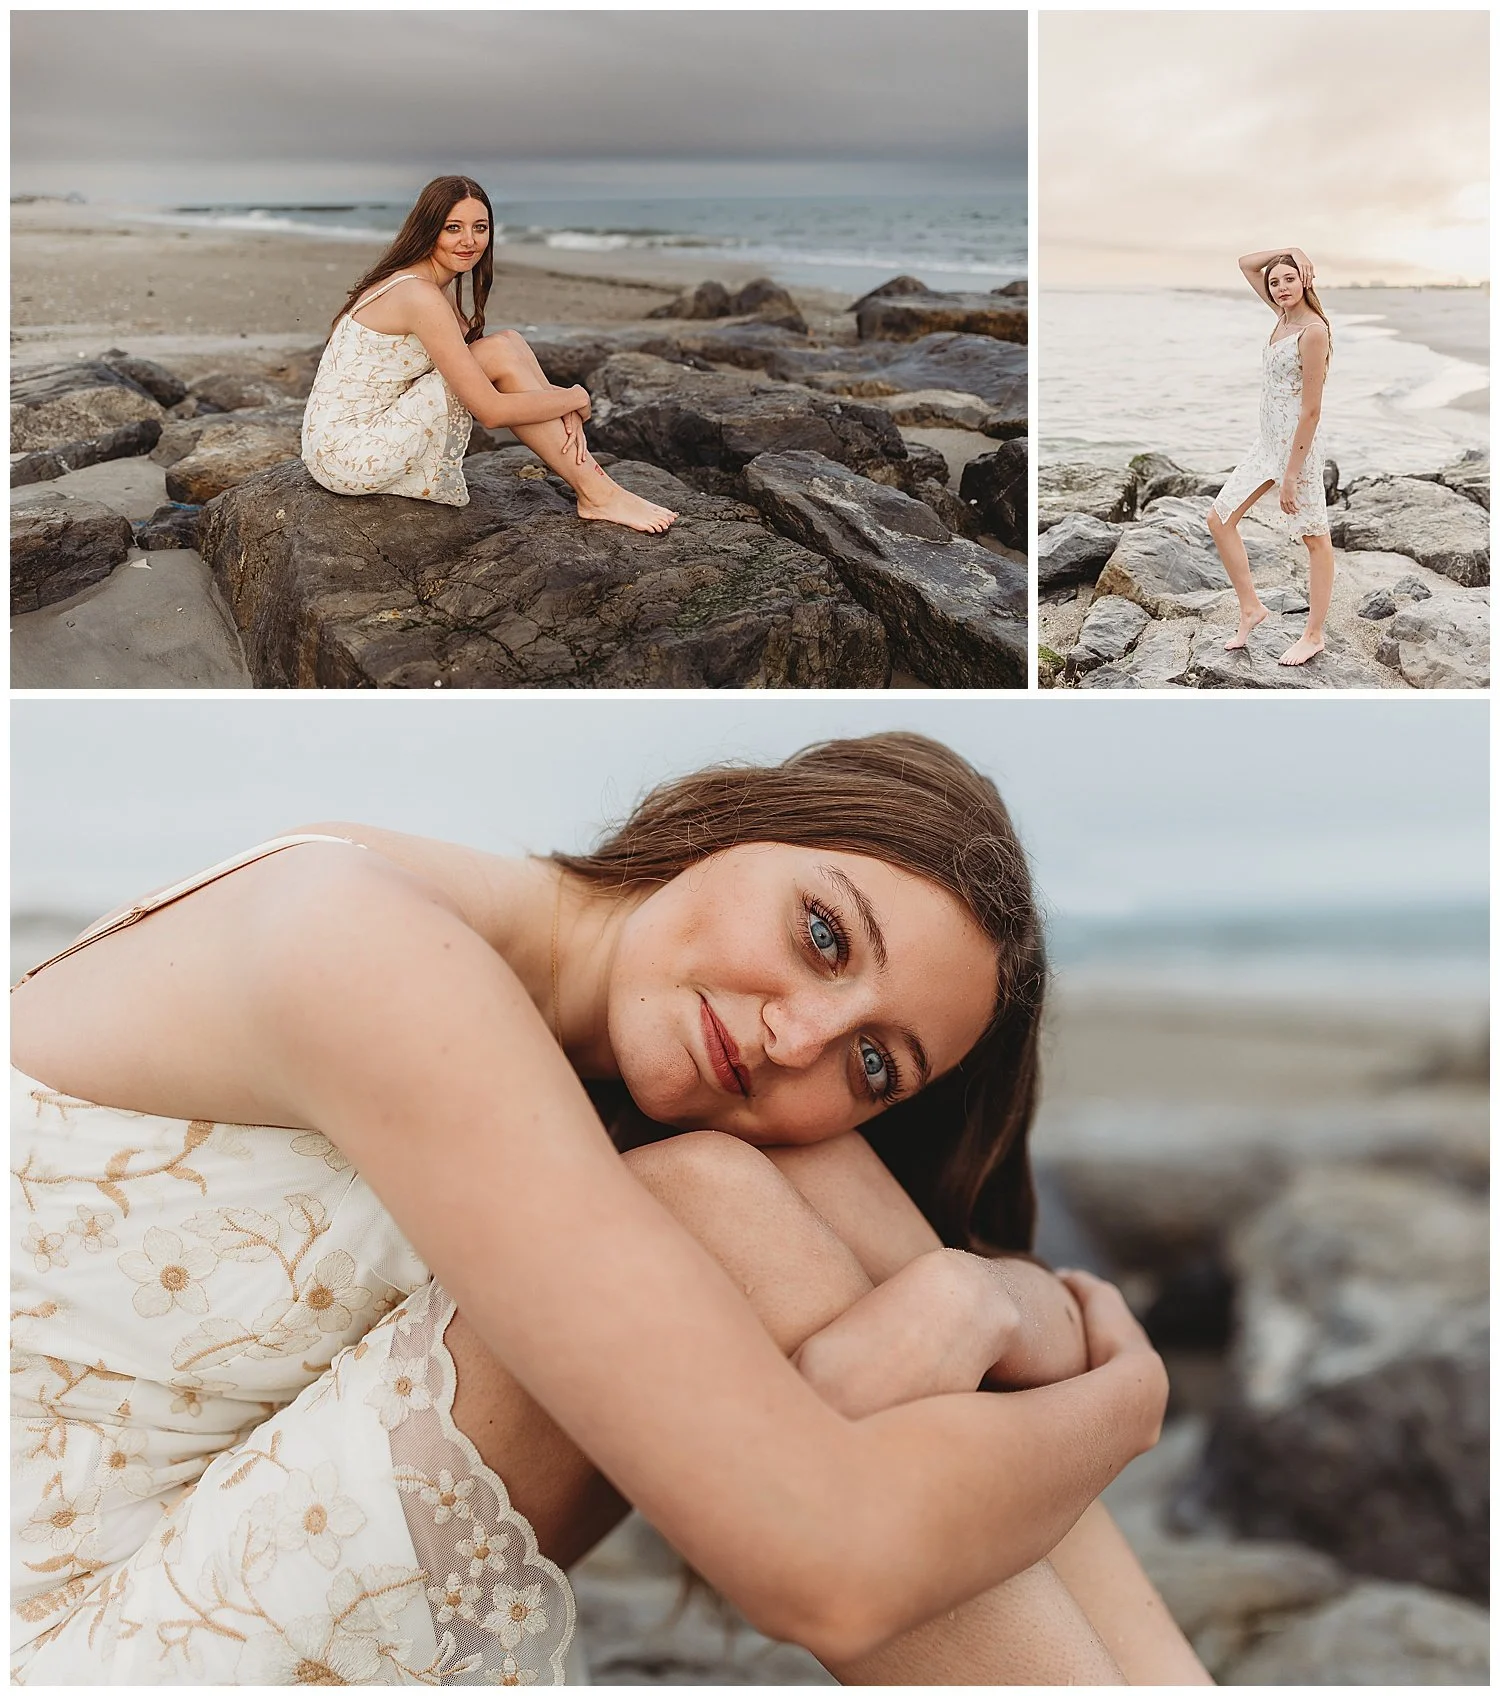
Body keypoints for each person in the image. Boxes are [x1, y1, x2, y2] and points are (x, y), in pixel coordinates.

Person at [11, 732, 1209, 1686]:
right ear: (731, 821)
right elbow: (828, 1568)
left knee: (764, 1167)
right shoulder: (361, 944)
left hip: (166, 1568)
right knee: (709, 1194)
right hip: (53, 1645)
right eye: (823, 932)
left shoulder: (669, 1074)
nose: (798, 1033)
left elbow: (874, 1384)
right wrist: (1122, 1404)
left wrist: (981, 1294)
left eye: (877, 1064)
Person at [300, 174, 676, 533]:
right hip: (348, 452)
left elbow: (497, 358)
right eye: (453, 228)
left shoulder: (425, 284)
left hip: (342, 440)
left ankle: (597, 489)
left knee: (508, 341)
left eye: (480, 227)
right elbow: (491, 411)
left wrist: (559, 405)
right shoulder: (418, 295)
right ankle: (598, 493)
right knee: (499, 351)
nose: (469, 241)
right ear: (427, 229)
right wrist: (574, 397)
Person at [1206, 248, 1334, 667]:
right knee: (1219, 519)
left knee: (1315, 539)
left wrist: (1292, 475)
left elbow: (1311, 410)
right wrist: (1293, 250)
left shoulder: (1312, 331)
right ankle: (1251, 609)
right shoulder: (1282, 317)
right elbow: (1245, 263)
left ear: (1305, 282)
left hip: (1297, 449)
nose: (1279, 288)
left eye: (1289, 279)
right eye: (1275, 282)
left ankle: (1313, 634)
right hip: (1265, 444)